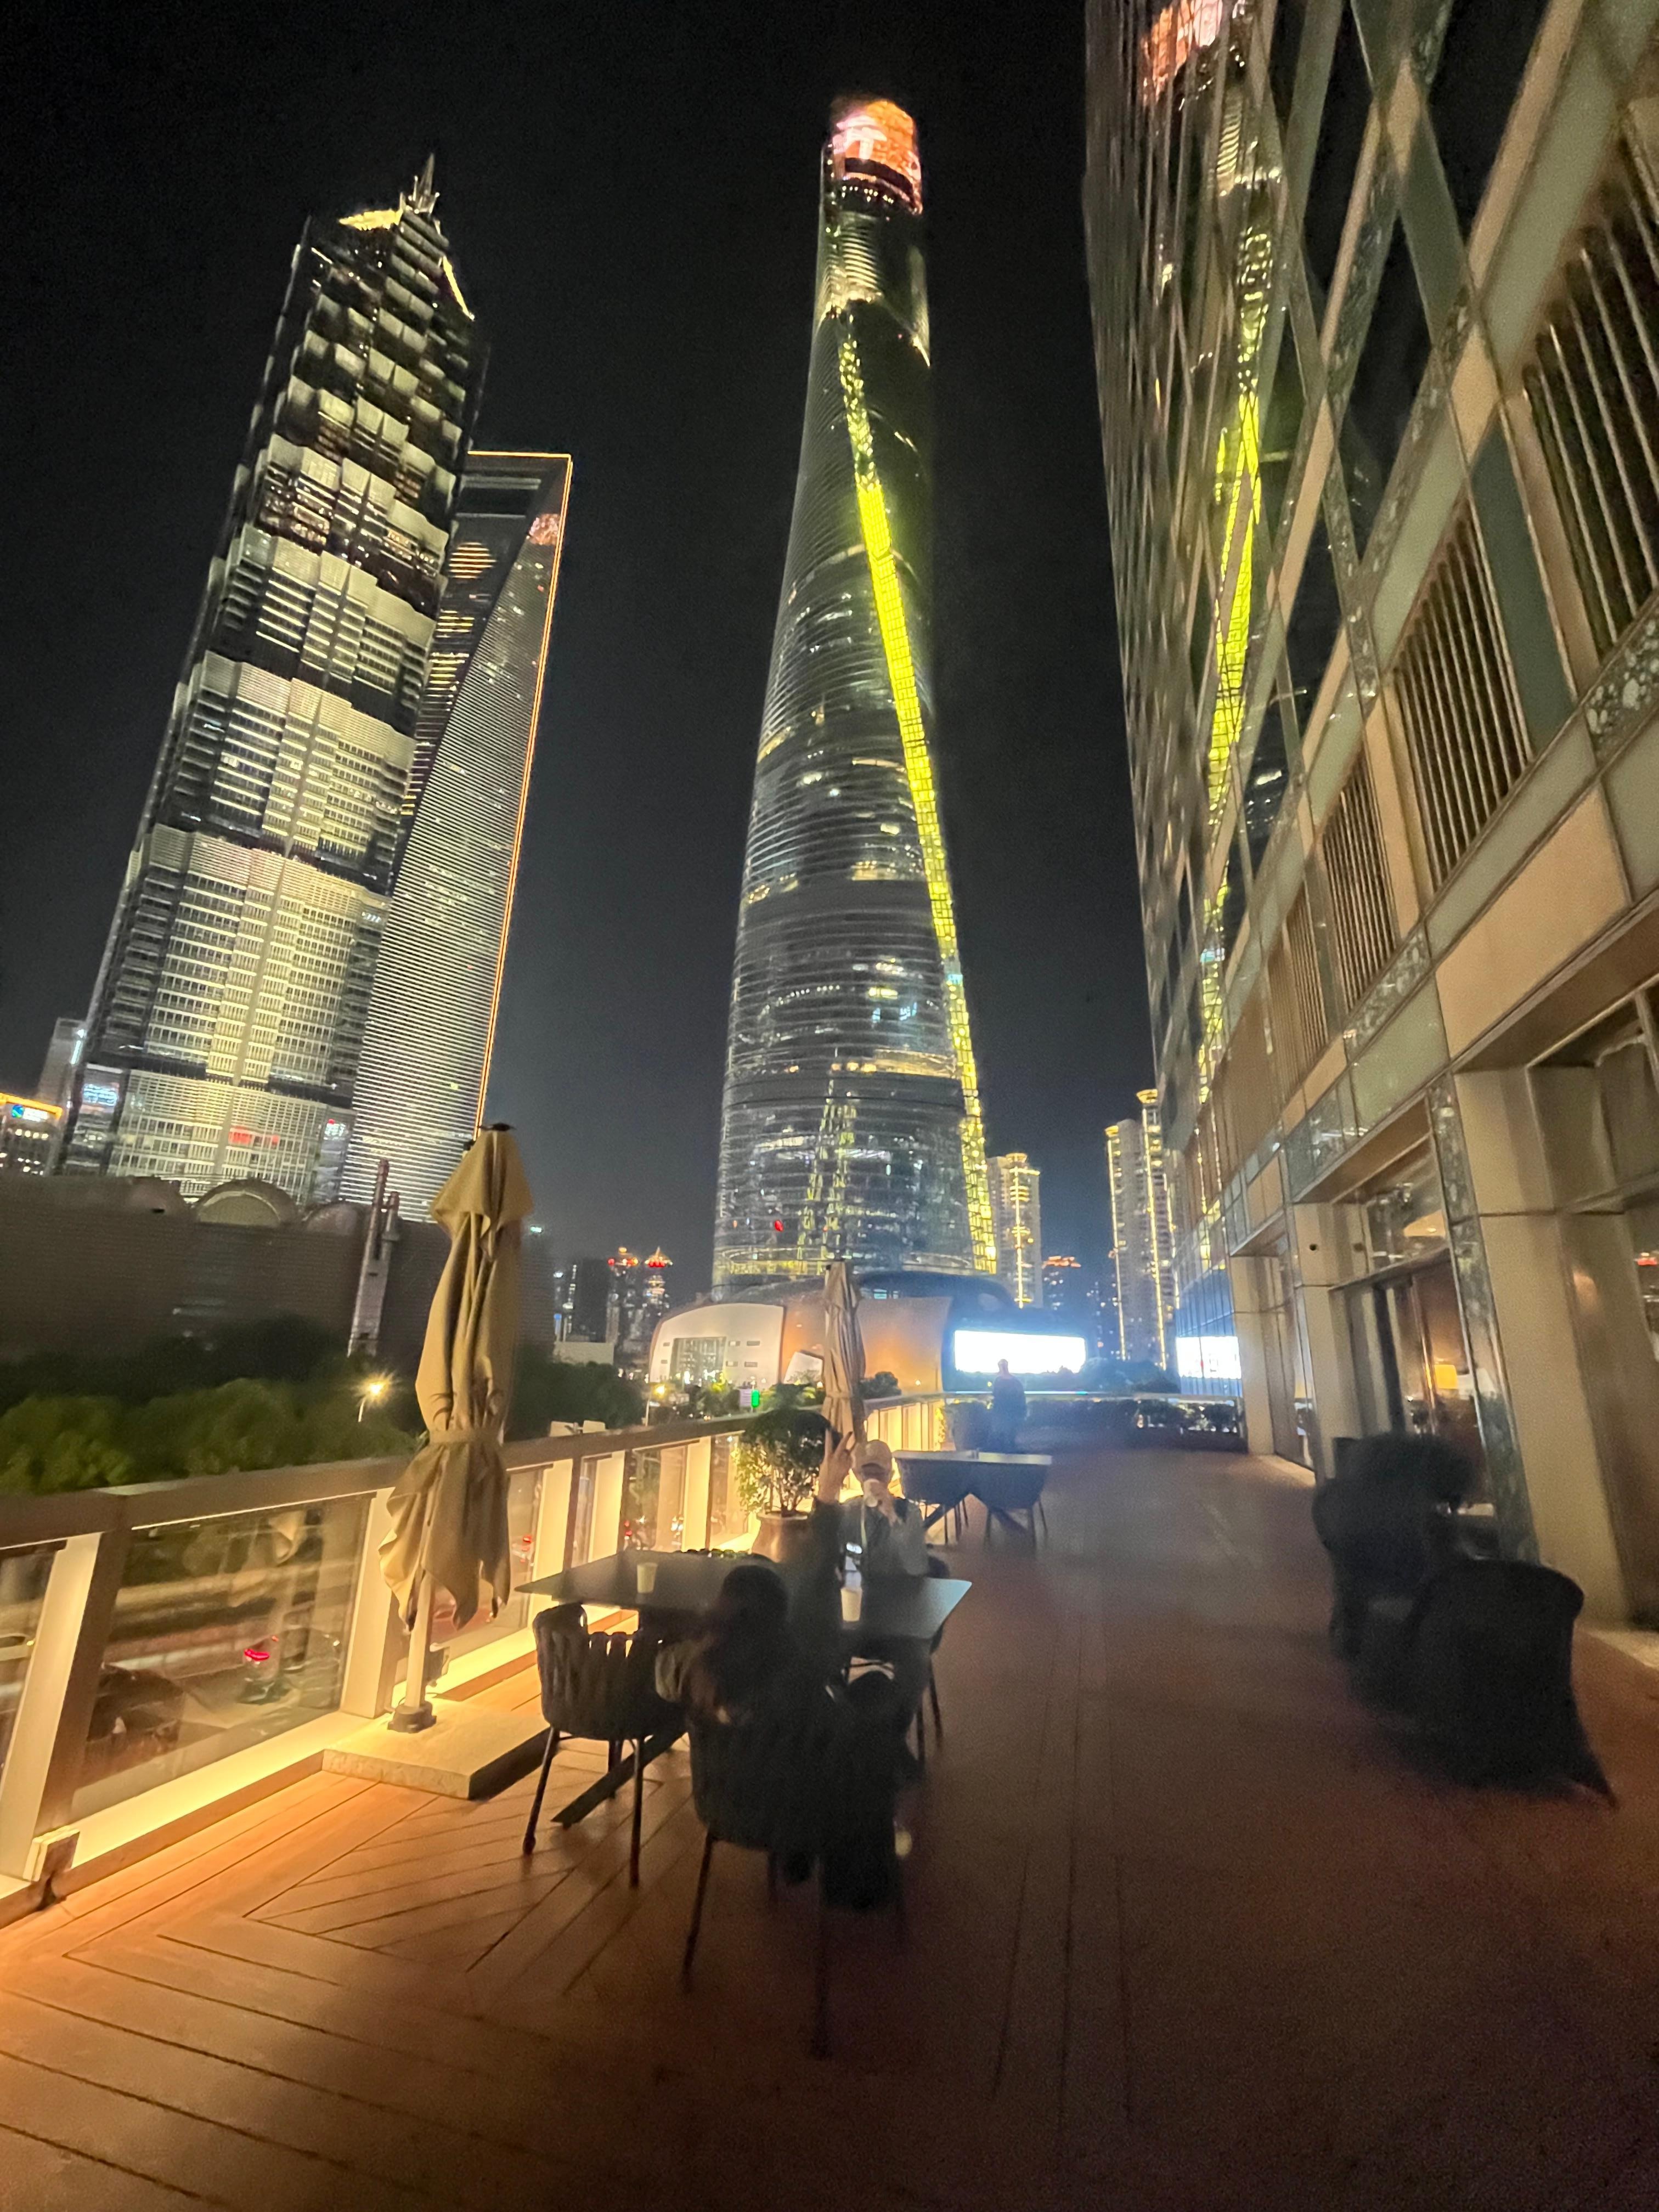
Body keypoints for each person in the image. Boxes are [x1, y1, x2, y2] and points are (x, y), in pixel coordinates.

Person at [655, 1434, 912, 1904]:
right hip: (796, 1811)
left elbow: (662, 1671)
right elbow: (841, 1733)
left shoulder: (692, 1669)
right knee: (874, 1707)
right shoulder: (797, 1679)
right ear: (778, 1618)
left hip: (722, 1805)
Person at [842, 1438, 927, 1578]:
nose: (873, 1480)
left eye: (879, 1474)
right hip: (860, 1588)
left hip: (898, 1588)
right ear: (858, 1477)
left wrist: (892, 1516)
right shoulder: (849, 1512)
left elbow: (916, 1566)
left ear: (890, 1476)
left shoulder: (909, 1512)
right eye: (867, 1474)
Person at [988, 1358, 1027, 1450]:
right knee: (1005, 1436)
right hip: (1005, 1413)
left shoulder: (1002, 1381)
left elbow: (996, 1396)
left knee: (1008, 1435)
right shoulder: (1012, 1381)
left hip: (1008, 1413)